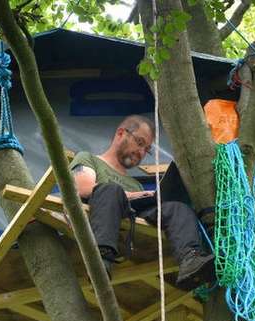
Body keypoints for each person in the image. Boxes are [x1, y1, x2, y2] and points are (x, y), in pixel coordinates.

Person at [69, 114, 215, 287]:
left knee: (177, 208)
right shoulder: (89, 158)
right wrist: (134, 196)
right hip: (101, 211)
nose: (141, 152)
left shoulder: (136, 185)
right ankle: (101, 258)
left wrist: (152, 197)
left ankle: (190, 259)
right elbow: (83, 188)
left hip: (131, 218)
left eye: (147, 149)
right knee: (111, 190)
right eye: (139, 143)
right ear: (121, 133)